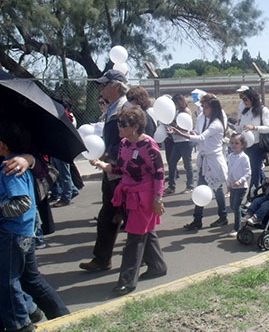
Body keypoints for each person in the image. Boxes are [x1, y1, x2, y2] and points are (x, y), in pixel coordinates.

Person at [0, 120, 69, 331]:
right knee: (29, 278)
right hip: (22, 232)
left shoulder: (9, 168)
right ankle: (60, 316)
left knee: (7, 281)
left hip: (13, 233)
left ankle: (20, 324)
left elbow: (22, 202)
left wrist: (29, 159)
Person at [91, 107, 167, 296]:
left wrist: (158, 199)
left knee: (135, 238)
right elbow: (122, 170)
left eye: (123, 124)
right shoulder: (125, 144)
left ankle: (126, 281)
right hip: (128, 194)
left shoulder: (149, 146)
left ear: (135, 126)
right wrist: (103, 165)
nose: (119, 127)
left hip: (144, 197)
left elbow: (159, 174)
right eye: (119, 123)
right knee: (145, 232)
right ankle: (158, 266)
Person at [80, 69, 130, 272]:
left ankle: (150, 260)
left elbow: (130, 140)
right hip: (111, 170)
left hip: (122, 172)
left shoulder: (125, 109)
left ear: (116, 86)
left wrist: (109, 154)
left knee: (130, 217)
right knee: (110, 216)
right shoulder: (112, 109)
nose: (101, 88)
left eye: (104, 84)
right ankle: (102, 259)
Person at [173, 94, 229, 230]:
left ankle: (222, 216)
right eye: (203, 107)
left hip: (213, 160)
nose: (203, 110)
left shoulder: (216, 123)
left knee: (217, 188)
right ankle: (198, 219)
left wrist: (181, 134)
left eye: (206, 107)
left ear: (213, 108)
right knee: (201, 190)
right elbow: (197, 133)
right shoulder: (204, 119)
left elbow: (201, 138)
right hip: (205, 158)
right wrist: (189, 132)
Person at [236, 88, 269, 193]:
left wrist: (254, 127)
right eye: (243, 100)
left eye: (246, 99)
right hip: (246, 145)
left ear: (253, 98)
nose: (244, 102)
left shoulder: (263, 110)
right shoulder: (245, 111)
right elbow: (241, 126)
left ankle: (252, 195)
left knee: (255, 171)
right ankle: (266, 186)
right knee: (253, 169)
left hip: (258, 144)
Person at [164, 94, 194, 195]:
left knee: (187, 164)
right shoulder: (177, 112)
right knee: (172, 163)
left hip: (185, 141)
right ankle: (171, 186)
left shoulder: (186, 111)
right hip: (177, 141)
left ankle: (190, 186)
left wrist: (173, 125)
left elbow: (186, 128)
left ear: (179, 102)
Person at [226, 133, 251, 236]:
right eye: (232, 142)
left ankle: (237, 228)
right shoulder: (230, 156)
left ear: (242, 145)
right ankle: (244, 214)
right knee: (232, 205)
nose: (234, 145)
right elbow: (229, 172)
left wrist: (240, 181)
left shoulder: (244, 157)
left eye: (236, 143)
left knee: (236, 206)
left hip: (241, 186)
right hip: (233, 186)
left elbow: (248, 172)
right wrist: (228, 184)